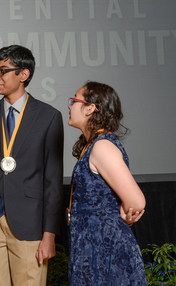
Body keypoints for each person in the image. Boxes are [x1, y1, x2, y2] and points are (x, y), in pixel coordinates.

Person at [0, 45, 64, 286]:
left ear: (24, 74)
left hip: (30, 224)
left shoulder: (49, 117)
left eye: (3, 71)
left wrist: (49, 235)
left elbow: (53, 182)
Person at [67, 81, 147, 285]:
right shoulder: (92, 145)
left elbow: (137, 201)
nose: (69, 106)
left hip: (106, 251)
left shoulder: (102, 146)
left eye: (74, 101)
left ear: (90, 108)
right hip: (90, 247)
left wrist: (121, 212)